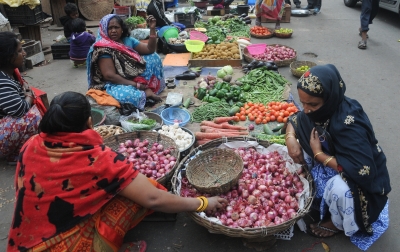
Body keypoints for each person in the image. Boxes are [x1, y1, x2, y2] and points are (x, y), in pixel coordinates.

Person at [7, 91, 227, 251]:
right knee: (142, 191)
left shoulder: (32, 144)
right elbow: (154, 199)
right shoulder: (96, 159)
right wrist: (203, 203)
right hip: (63, 246)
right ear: (89, 122)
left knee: (121, 187)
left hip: (23, 240)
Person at [285, 64, 391, 250]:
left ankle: (337, 223)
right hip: (331, 158)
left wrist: (319, 154)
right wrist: (290, 137)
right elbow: (298, 118)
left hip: (361, 182)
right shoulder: (318, 111)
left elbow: (362, 170)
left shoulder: (349, 122)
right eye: (303, 102)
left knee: (340, 189)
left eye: (313, 104)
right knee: (292, 151)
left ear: (330, 97)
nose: (307, 109)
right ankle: (320, 195)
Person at [87, 14, 165, 111]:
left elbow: (150, 49)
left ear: (122, 29)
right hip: (115, 82)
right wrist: (136, 85)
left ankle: (149, 88)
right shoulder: (102, 48)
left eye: (116, 27)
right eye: (110, 28)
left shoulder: (127, 40)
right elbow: (109, 76)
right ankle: (145, 93)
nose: (113, 31)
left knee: (154, 57)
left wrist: (152, 29)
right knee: (126, 96)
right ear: (103, 30)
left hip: (132, 76)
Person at [0, 32, 42, 165]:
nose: (24, 53)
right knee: (33, 116)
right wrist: (29, 95)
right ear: (8, 57)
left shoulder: (10, 74)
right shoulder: (2, 82)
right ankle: (16, 154)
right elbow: (20, 109)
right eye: (19, 51)